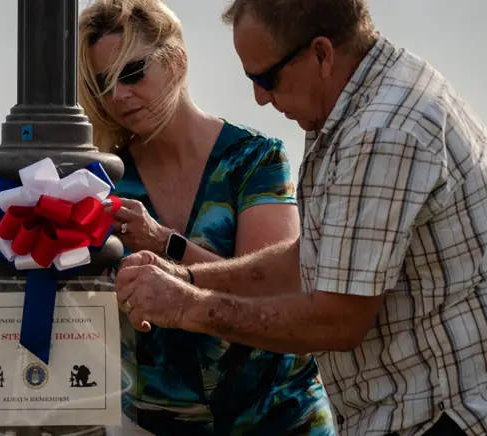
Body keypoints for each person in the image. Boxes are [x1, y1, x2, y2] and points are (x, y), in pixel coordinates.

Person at [114, 0, 487, 435]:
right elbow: (306, 260)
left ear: (322, 54)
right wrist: (190, 278)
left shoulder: (384, 131)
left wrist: (186, 306)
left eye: (266, 78)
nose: (259, 97)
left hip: (441, 419)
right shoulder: (349, 105)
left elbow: (337, 319)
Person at [78, 0, 335, 435]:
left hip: (279, 419)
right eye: (103, 82)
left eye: (132, 72)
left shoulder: (253, 159)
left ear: (176, 60)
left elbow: (277, 290)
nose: (118, 95)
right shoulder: (103, 181)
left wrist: (163, 242)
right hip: (156, 426)